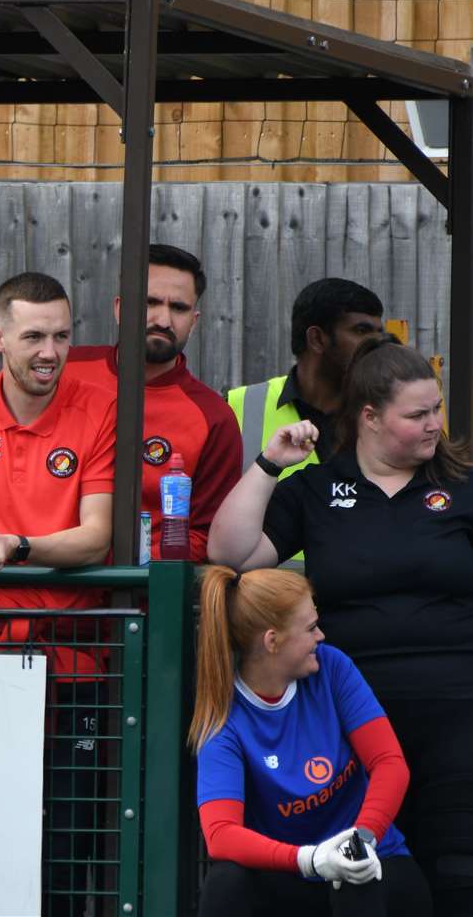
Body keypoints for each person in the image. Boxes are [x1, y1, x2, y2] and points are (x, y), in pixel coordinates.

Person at [209, 336, 473, 912]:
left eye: (437, 409)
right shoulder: (318, 488)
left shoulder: (459, 487)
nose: (435, 425)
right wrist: (269, 463)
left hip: (456, 703)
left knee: (458, 866)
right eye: (418, 414)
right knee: (360, 871)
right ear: (370, 417)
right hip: (346, 710)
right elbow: (231, 553)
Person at [0, 271, 115, 915]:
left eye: (62, 336)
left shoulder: (100, 407)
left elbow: (96, 538)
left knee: (68, 833)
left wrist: (15, 546)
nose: (50, 352)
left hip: (76, 664)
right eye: (33, 335)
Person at [190, 564, 430, 915]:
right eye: (311, 627)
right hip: (290, 869)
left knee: (356, 881)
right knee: (226, 883)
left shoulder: (332, 667)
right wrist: (312, 859)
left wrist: (359, 841)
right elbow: (221, 834)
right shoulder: (223, 715)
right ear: (272, 641)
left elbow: (389, 763)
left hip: (371, 860)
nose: (321, 636)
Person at [64, 243, 241, 561]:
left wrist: (129, 571)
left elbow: (206, 535)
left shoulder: (213, 417)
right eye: (150, 302)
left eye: (179, 308)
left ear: (195, 320)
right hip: (46, 585)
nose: (163, 319)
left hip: (145, 598)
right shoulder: (65, 373)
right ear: (119, 308)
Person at [227, 278, 383, 479]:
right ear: (317, 339)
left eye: (380, 333)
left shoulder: (386, 411)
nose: (377, 344)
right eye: (362, 331)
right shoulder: (237, 407)